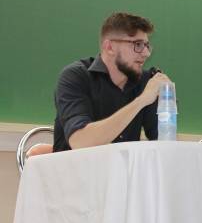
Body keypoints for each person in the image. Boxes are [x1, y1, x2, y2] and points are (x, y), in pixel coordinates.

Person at [53, 12, 172, 152]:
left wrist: (167, 103)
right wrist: (141, 101)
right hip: (76, 172)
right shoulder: (76, 77)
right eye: (137, 44)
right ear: (109, 47)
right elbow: (80, 141)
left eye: (146, 45)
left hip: (124, 173)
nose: (146, 53)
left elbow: (165, 145)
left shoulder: (146, 82)